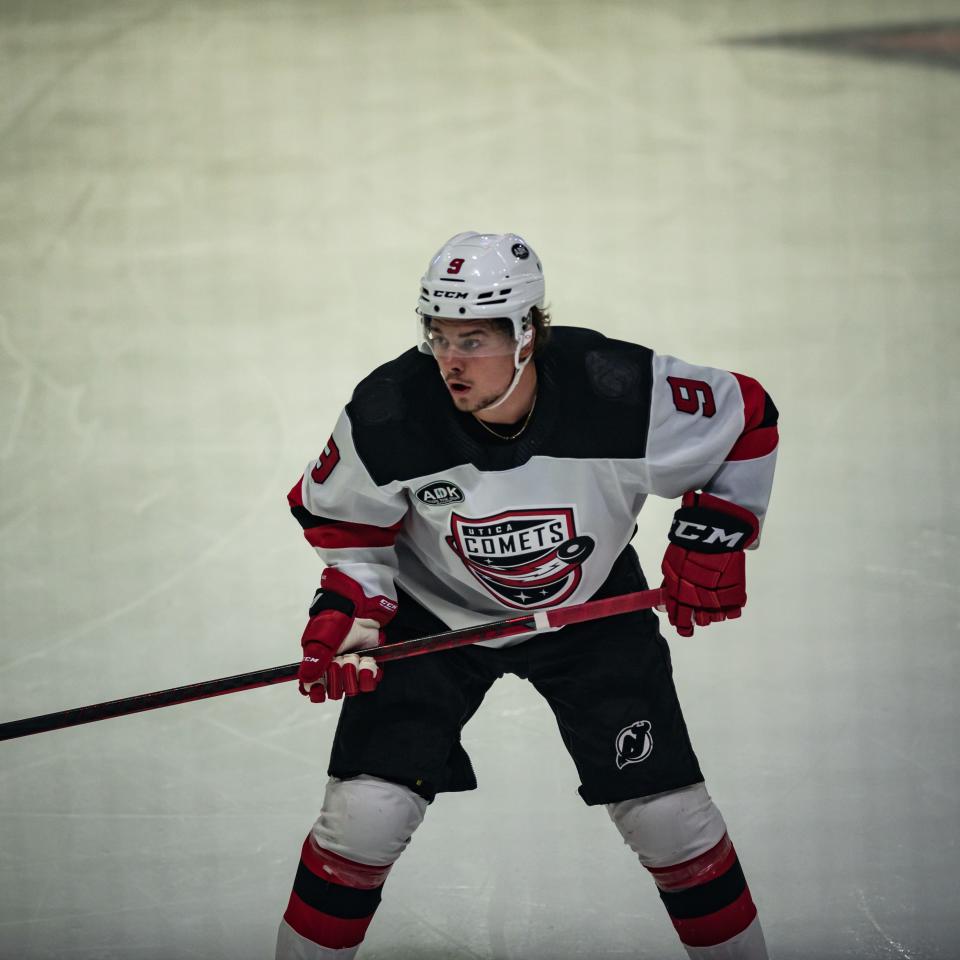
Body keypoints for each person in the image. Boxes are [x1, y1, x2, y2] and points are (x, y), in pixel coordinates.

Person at [277, 232, 779, 960]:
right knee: (362, 817)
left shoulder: (619, 390)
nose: (451, 359)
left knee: (674, 823)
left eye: (473, 339)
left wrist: (716, 531)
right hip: (434, 617)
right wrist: (351, 614)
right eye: (439, 336)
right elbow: (344, 520)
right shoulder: (389, 412)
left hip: (590, 612)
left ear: (527, 334)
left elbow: (747, 418)